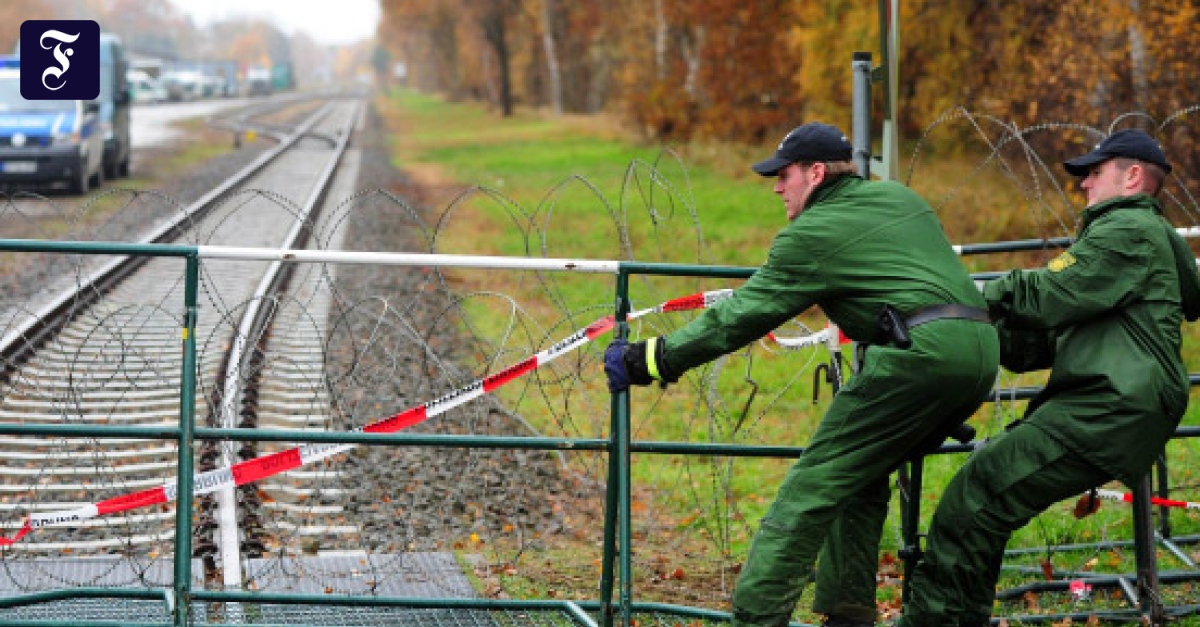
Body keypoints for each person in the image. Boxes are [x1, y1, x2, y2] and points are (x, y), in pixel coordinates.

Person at [604, 122, 1000, 627]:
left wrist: (651, 358)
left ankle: (756, 617)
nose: (775, 187)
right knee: (859, 475)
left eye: (783, 174)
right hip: (981, 350)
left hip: (917, 355)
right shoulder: (901, 198)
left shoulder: (811, 235)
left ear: (814, 173)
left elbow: (742, 314)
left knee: (809, 489)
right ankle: (849, 612)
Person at [897, 128, 1200, 627]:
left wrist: (965, 291)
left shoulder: (1127, 232)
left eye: (1094, 173)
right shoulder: (1132, 238)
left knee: (976, 497)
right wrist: (972, 328)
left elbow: (1050, 294)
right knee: (981, 499)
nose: (1083, 184)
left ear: (1132, 177)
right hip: (1112, 401)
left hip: (1109, 406)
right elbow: (1057, 332)